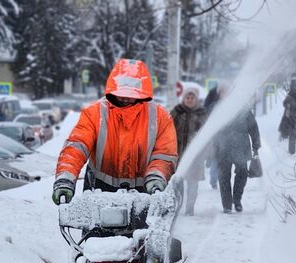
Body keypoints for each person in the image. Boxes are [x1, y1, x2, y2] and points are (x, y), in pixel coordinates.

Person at [52, 59, 178, 204]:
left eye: (131, 94)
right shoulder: (95, 113)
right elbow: (77, 147)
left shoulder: (160, 117)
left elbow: (164, 155)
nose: (125, 98)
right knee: (95, 226)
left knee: (145, 226)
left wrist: (156, 177)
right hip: (98, 189)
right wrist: (65, 179)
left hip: (144, 190)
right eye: (122, 93)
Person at [213, 97, 261, 213]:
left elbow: (253, 128)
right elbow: (212, 130)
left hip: (241, 147)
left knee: (242, 174)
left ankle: (237, 199)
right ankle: (227, 205)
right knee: (224, 177)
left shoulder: (245, 111)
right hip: (223, 148)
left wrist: (256, 145)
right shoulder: (220, 110)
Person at [170, 86, 207, 215]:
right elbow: (168, 130)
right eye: (187, 97)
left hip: (195, 157)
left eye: (192, 98)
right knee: (178, 183)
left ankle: (189, 208)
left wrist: (206, 153)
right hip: (178, 154)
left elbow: (206, 135)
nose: (190, 100)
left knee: (193, 184)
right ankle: (177, 207)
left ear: (196, 99)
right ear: (183, 98)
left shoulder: (202, 113)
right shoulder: (176, 112)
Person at [279, 81, 296, 155]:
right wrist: (288, 105)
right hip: (290, 114)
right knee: (288, 126)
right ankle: (285, 136)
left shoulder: (293, 94)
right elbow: (285, 103)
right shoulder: (292, 94)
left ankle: (285, 135)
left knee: (289, 125)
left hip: (291, 114)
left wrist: (288, 105)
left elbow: (285, 103)